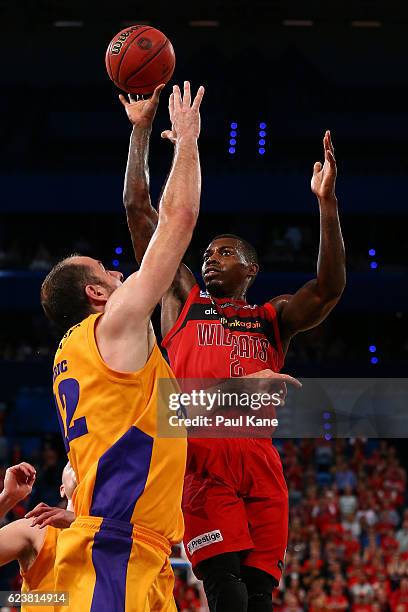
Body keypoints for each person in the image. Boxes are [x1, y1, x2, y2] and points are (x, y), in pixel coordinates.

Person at [122, 85, 346, 611]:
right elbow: (138, 210)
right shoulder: (182, 299)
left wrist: (328, 204)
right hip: (201, 456)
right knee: (226, 593)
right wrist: (141, 131)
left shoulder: (273, 318)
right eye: (207, 252)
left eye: (224, 252)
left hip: (260, 462)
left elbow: (330, 288)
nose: (210, 257)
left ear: (252, 269)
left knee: (261, 597)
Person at [40, 81, 205, 612]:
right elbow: (174, 220)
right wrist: (185, 141)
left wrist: (138, 131)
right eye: (106, 272)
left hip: (134, 549)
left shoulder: (77, 356)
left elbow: (80, 468)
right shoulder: (116, 324)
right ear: (95, 294)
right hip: (116, 554)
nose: (118, 272)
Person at [0, 461, 76, 612]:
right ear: (62, 489)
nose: (81, 462)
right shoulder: (37, 528)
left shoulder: (121, 535)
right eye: (73, 461)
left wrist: (79, 522)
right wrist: (7, 498)